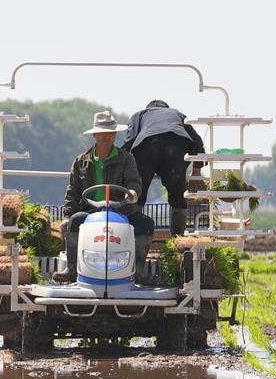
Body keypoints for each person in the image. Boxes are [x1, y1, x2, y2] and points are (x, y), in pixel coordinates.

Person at [53, 110, 155, 283]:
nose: (106, 136)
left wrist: (132, 193)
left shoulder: (126, 159)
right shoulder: (81, 161)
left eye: (109, 133)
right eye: (102, 132)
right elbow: (73, 191)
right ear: (95, 134)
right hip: (90, 212)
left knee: (146, 224)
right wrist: (68, 215)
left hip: (122, 212)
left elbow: (134, 182)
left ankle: (138, 271)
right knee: (75, 220)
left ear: (115, 135)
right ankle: (71, 270)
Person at [121, 100, 207, 236]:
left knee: (137, 193)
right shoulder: (178, 114)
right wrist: (197, 169)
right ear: (167, 109)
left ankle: (132, 237)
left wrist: (122, 168)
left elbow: (129, 142)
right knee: (178, 198)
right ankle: (177, 242)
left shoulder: (139, 115)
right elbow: (197, 141)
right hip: (176, 144)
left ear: (148, 109)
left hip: (146, 145)